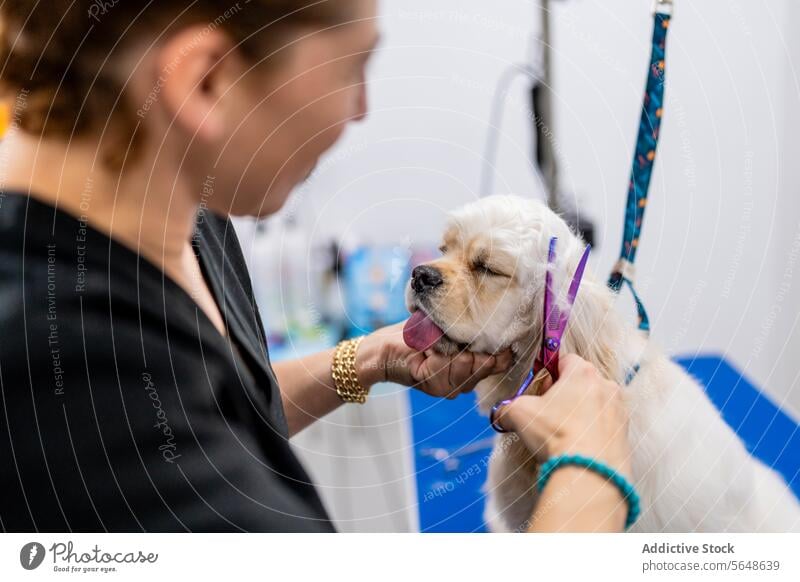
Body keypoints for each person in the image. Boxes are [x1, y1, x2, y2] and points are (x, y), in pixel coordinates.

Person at [0, 0, 631, 532]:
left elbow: (229, 415)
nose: (359, 110)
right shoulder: (57, 370)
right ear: (206, 81)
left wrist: (374, 357)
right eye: (352, 67)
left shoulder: (192, 222)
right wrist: (588, 477)